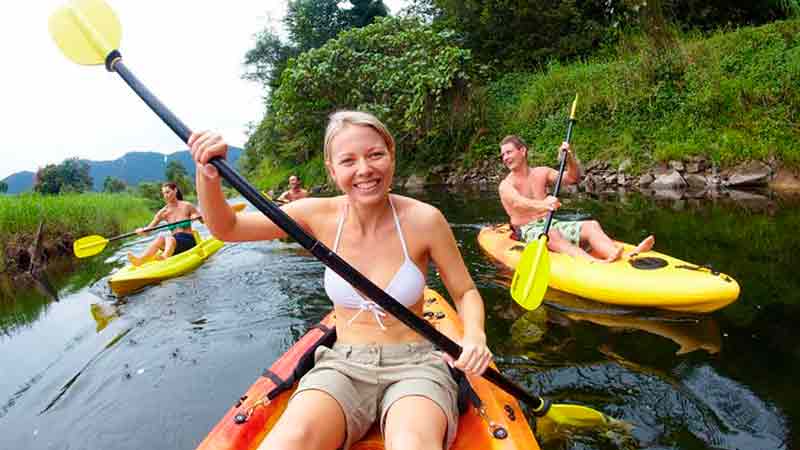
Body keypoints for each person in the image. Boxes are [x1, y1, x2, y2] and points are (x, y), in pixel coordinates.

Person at [190, 111, 492, 450]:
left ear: (391, 155)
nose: (364, 169)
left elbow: (465, 292)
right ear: (332, 170)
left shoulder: (425, 219)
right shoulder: (315, 214)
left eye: (375, 154)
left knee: (412, 443)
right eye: (348, 160)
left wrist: (475, 336)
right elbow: (227, 228)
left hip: (416, 365)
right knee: (290, 441)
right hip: (342, 365)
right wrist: (208, 176)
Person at [498, 135, 654, 263]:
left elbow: (573, 178)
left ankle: (624, 257)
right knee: (552, 234)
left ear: (523, 151)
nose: (505, 157)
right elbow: (518, 202)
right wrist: (542, 204)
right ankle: (594, 263)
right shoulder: (506, 185)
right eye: (503, 154)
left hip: (550, 223)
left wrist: (569, 159)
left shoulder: (541, 173)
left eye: (509, 152)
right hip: (526, 230)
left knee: (592, 225)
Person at [127, 182, 202, 266]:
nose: (166, 195)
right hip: (174, 244)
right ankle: (141, 260)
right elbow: (148, 230)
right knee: (160, 238)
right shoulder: (163, 212)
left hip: (188, 241)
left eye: (168, 192)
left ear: (175, 190)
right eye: (164, 193)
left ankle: (165, 257)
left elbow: (202, 220)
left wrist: (196, 216)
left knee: (169, 238)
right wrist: (142, 230)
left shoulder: (187, 206)